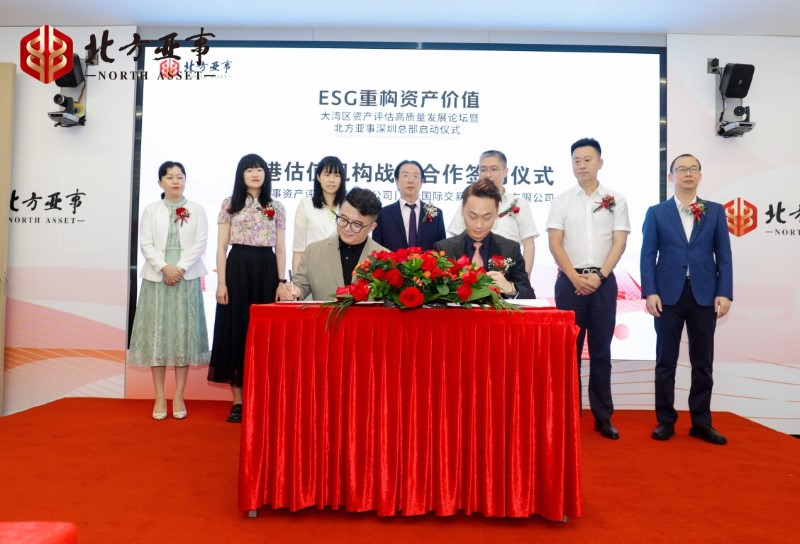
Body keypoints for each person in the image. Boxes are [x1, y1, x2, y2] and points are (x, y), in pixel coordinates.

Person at [641, 154, 733, 445]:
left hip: (704, 295)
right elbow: (647, 255)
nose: (688, 173)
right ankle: (665, 420)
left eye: (693, 169)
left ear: (700, 175)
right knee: (665, 361)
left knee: (703, 362)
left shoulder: (714, 211)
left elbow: (724, 256)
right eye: (681, 169)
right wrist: (650, 291)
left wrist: (724, 292)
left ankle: (701, 422)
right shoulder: (657, 213)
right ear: (671, 177)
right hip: (667, 296)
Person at [547, 137, 629, 440]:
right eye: (576, 160)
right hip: (569, 283)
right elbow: (555, 243)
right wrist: (574, 277)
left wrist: (600, 276)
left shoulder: (615, 199)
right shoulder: (562, 200)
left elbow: (620, 242)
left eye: (587, 159)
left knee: (601, 352)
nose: (581, 165)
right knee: (567, 353)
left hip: (603, 283)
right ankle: (568, 414)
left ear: (600, 162)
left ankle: (603, 417)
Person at [128, 161, 210, 420]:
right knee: (158, 336)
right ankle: (160, 396)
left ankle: (179, 396)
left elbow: (200, 243)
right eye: (170, 176)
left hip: (186, 277)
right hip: (157, 277)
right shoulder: (151, 210)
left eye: (180, 176)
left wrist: (180, 268)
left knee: (182, 336)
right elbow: (145, 243)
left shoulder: (197, 209)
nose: (176, 181)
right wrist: (165, 268)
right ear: (160, 182)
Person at [207, 153, 286, 423]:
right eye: (249, 169)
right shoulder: (230, 204)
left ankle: (263, 398)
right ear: (241, 174)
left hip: (266, 270)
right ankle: (238, 402)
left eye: (259, 169)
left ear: (266, 174)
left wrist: (281, 282)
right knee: (236, 331)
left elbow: (281, 248)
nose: (255, 174)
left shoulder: (276, 206)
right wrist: (222, 283)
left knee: (265, 335)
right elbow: (221, 247)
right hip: (237, 268)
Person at [277, 187, 386, 301]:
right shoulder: (313, 252)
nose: (347, 228)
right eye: (343, 219)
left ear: (372, 227)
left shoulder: (385, 259)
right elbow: (300, 286)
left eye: (356, 225)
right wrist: (292, 291)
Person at [434, 179, 535, 299]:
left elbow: (529, 295)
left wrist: (510, 288)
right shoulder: (444, 249)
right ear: (462, 210)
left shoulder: (510, 249)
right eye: (472, 216)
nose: (479, 225)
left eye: (487, 217)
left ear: (497, 212)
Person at [447, 150, 539, 275]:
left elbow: (529, 245)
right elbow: (455, 239)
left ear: (505, 172)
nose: (488, 175)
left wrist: (523, 279)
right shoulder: (469, 202)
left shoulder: (519, 204)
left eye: (493, 169)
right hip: (470, 274)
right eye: (483, 170)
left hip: (507, 273)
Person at [372, 159, 446, 251]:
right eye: (405, 176)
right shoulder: (383, 214)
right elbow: (376, 248)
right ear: (396, 181)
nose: (410, 180)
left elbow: (441, 250)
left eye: (415, 176)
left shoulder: (436, 213)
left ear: (421, 182)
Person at [291, 156, 347, 273]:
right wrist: (297, 280)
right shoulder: (305, 205)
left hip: (341, 270)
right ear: (318, 177)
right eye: (327, 174)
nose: (331, 180)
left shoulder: (348, 207)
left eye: (336, 175)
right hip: (312, 270)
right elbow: (298, 250)